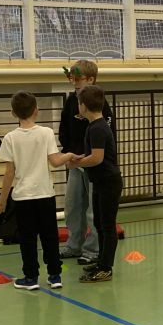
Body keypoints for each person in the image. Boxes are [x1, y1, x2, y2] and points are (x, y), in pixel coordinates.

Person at [0, 92, 71, 291]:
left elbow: (9, 173)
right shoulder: (46, 133)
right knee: (49, 236)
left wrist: (2, 201)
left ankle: (31, 278)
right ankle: (55, 276)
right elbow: (55, 161)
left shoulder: (10, 138)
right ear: (36, 110)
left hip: (23, 197)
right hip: (45, 195)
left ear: (13, 113)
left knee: (27, 239)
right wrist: (69, 155)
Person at [57, 59, 113, 267]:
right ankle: (74, 245)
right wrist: (68, 152)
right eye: (72, 79)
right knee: (72, 205)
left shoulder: (100, 103)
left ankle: (93, 249)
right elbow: (64, 127)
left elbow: (105, 134)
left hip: (92, 164)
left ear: (91, 79)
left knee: (92, 210)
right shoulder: (71, 101)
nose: (75, 83)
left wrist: (88, 157)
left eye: (78, 79)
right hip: (75, 161)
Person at [66, 84, 121, 283]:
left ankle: (106, 268)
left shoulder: (98, 128)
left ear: (84, 106)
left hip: (108, 183)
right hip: (99, 182)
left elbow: (97, 158)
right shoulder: (93, 126)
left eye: (79, 103)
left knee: (107, 226)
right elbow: (94, 155)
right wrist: (80, 158)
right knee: (99, 224)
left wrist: (77, 163)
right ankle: (102, 261)